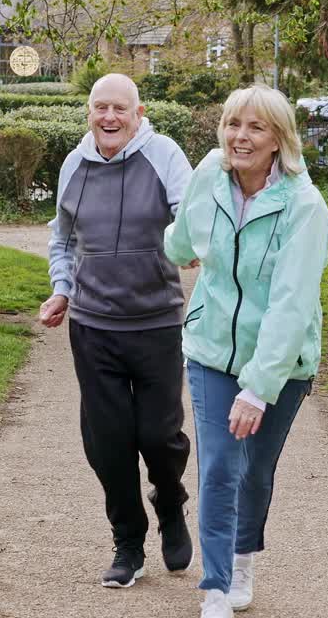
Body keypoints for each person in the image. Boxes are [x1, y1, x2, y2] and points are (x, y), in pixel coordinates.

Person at [163, 84, 328, 617]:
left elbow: (291, 305)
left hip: (281, 364)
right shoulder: (210, 170)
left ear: (279, 139)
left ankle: (242, 560)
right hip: (213, 349)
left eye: (256, 127)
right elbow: (181, 243)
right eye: (234, 123)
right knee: (216, 467)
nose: (240, 136)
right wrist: (183, 244)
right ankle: (214, 588)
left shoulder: (304, 206)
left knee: (253, 470)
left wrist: (258, 389)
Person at [38, 73, 195, 588]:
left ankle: (170, 502)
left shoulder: (164, 154)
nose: (109, 118)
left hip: (155, 324)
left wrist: (185, 241)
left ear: (139, 113)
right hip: (93, 326)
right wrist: (62, 289)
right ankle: (128, 542)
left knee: (159, 435)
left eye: (119, 109)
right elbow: (62, 239)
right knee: (107, 441)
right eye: (99, 108)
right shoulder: (75, 164)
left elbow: (186, 217)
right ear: (89, 113)